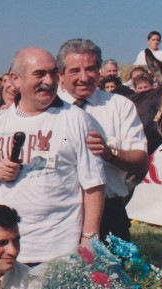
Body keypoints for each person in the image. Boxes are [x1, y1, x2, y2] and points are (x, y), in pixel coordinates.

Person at [0, 47, 105, 264]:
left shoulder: (77, 120)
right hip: (6, 253)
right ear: (15, 79)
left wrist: (89, 239)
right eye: (39, 74)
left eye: (53, 73)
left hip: (58, 251)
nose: (49, 81)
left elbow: (94, 186)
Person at [57, 39, 147, 241]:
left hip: (109, 213)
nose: (84, 77)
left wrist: (110, 153)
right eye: (74, 71)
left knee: (111, 273)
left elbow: (141, 162)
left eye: (90, 69)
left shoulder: (120, 106)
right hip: (60, 214)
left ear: (99, 72)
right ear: (60, 75)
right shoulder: (48, 108)